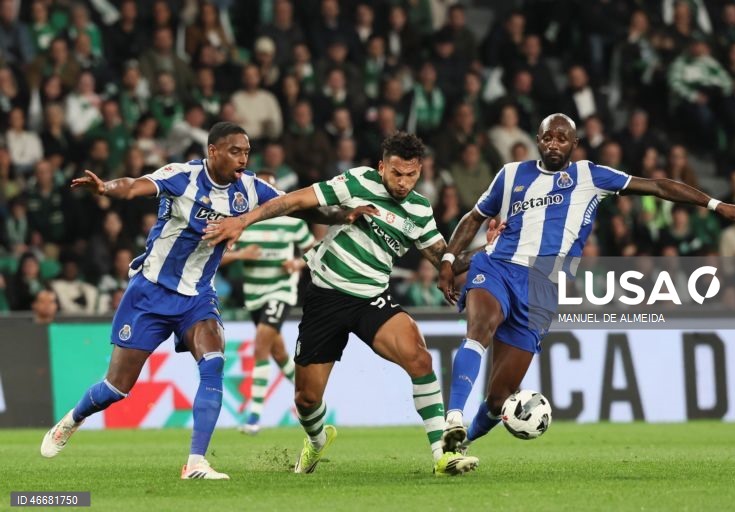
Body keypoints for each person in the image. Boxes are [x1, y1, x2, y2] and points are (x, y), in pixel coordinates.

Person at [40, 122, 373, 480]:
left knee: (213, 363)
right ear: (213, 151)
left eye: (246, 152)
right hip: (150, 293)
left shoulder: (249, 188)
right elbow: (135, 186)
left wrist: (342, 215)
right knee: (116, 387)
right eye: (235, 151)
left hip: (198, 296)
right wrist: (106, 187)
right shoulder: (182, 177)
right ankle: (72, 419)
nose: (243, 159)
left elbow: (294, 205)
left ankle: (196, 462)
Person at [436, 113, 735, 455]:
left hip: (541, 289)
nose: (554, 144)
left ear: (574, 144)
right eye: (548, 137)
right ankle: (453, 418)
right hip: (498, 266)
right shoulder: (511, 174)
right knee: (480, 327)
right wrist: (448, 259)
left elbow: (658, 186)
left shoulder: (590, 176)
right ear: (538, 140)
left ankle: (457, 445)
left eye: (562, 138)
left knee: (499, 398)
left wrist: (716, 204)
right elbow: (474, 217)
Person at [203, 132, 481, 476]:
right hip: (326, 297)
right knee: (306, 399)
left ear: (420, 171)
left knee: (420, 359)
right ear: (382, 167)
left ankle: (442, 455)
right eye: (396, 173)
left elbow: (446, 260)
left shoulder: (420, 210)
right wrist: (243, 220)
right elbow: (295, 201)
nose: (403, 182)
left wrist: (491, 247)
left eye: (411, 175)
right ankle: (317, 440)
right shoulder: (358, 181)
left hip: (372, 299)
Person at [220, 170, 316, 435]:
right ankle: (312, 398)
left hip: (281, 292)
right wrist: (241, 255)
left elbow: (315, 250)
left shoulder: (292, 222)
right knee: (279, 353)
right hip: (254, 296)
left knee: (261, 344)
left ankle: (254, 416)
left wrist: (297, 263)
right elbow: (216, 256)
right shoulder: (243, 222)